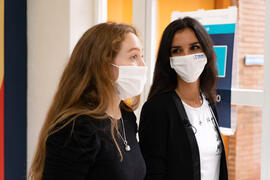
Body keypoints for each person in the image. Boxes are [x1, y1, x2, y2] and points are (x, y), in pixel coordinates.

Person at [28, 22, 147, 180]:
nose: (142, 65)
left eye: (141, 56)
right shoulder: (76, 129)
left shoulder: (126, 116)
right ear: (104, 64)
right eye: (133, 57)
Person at [139, 17, 228, 180]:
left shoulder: (209, 103)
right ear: (169, 59)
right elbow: (153, 173)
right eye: (177, 50)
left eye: (194, 47)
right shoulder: (157, 109)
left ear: (206, 52)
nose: (186, 56)